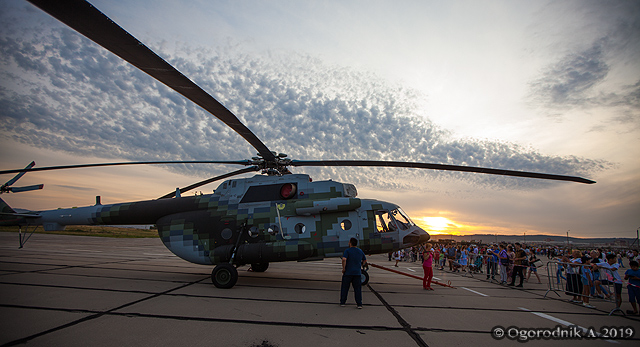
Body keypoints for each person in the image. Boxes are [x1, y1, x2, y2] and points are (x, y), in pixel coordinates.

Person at [340, 238, 367, 309]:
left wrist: (344, 268)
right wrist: (361, 265)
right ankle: (359, 304)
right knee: (357, 289)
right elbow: (365, 260)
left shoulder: (347, 251)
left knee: (345, 288)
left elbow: (344, 259)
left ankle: (343, 302)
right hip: (357, 273)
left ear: (350, 243)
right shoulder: (360, 251)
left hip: (348, 273)